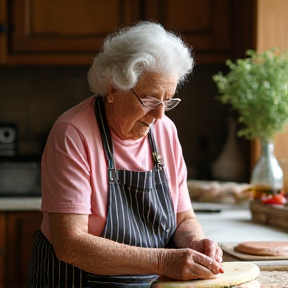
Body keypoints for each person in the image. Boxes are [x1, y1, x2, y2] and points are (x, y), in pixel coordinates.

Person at [27, 21, 224, 288]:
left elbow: (183, 218)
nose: (159, 115)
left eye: (168, 101)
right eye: (151, 99)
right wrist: (164, 262)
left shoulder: (165, 131)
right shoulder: (73, 132)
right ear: (113, 89)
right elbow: (70, 244)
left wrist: (196, 242)